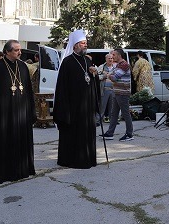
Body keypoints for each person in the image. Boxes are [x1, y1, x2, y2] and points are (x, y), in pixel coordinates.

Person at [0, 40, 36, 184]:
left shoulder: (22, 67)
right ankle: (2, 173)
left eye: (20, 50)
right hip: (3, 116)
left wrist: (30, 111)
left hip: (20, 114)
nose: (20, 52)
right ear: (7, 51)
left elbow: (28, 91)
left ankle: (21, 170)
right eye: (16, 50)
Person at [53, 30, 99, 169]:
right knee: (74, 134)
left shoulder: (87, 60)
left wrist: (94, 75)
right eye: (82, 43)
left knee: (86, 133)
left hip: (87, 107)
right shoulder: (67, 62)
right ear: (74, 46)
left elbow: (91, 81)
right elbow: (62, 87)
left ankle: (88, 158)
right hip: (73, 108)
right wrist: (64, 109)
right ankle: (72, 159)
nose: (85, 45)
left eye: (86, 43)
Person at [101, 49, 133, 142]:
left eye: (114, 55)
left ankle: (129, 134)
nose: (112, 56)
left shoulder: (124, 65)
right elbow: (112, 75)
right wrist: (109, 74)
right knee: (113, 113)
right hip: (117, 92)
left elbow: (114, 78)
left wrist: (106, 74)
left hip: (123, 93)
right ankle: (110, 133)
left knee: (126, 114)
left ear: (119, 55)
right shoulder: (118, 65)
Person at [97, 53, 117, 126]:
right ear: (106, 59)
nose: (111, 59)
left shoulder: (115, 67)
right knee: (102, 106)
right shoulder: (101, 67)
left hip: (113, 89)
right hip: (104, 89)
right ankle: (98, 121)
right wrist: (104, 76)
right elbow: (97, 77)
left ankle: (113, 121)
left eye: (112, 58)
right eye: (109, 58)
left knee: (112, 106)